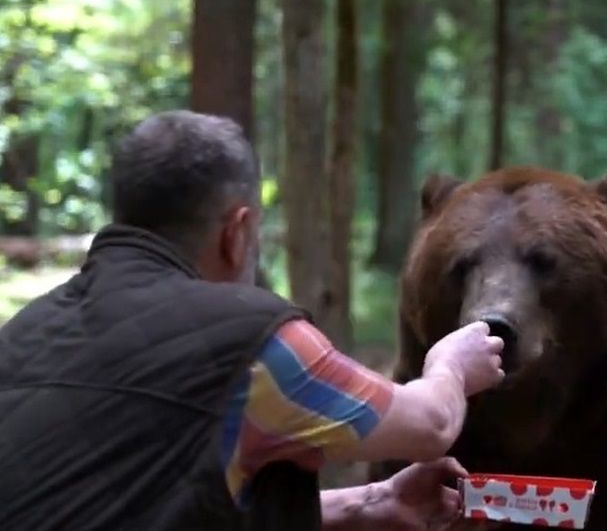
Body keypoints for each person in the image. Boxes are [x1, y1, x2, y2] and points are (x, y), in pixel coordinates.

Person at [0, 111, 505, 530]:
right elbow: (429, 425)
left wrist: (367, 502)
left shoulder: (25, 331)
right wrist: (452, 367)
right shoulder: (252, 343)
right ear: (237, 232)